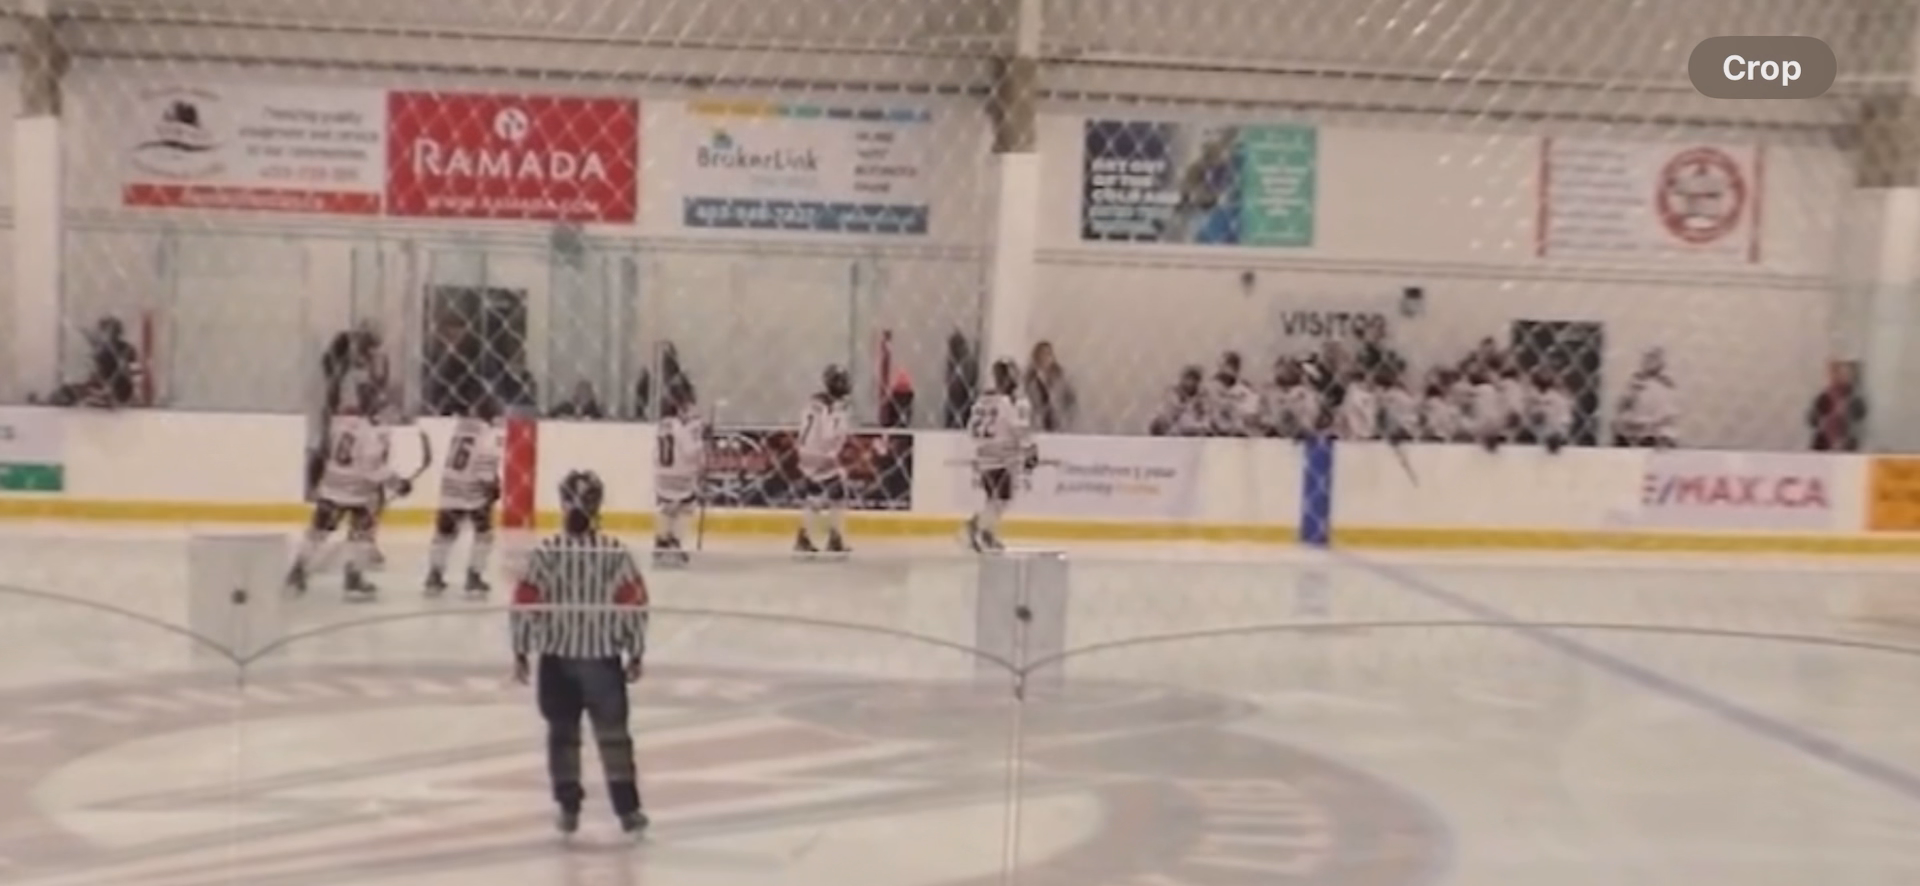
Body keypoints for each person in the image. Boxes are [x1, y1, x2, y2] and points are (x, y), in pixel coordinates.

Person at [510, 470, 651, 837]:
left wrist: (521, 648)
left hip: (556, 658)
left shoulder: (545, 553)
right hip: (602, 659)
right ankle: (628, 811)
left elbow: (525, 602)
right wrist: (635, 650)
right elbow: (634, 604)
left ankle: (568, 805)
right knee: (614, 737)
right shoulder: (615, 553)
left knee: (562, 735)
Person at [286, 384, 409, 600]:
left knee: (316, 533)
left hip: (331, 487)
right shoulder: (371, 435)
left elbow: (325, 450)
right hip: (357, 495)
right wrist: (397, 483)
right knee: (360, 537)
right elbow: (371, 469)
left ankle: (297, 570)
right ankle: (353, 579)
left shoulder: (340, 424)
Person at [426, 396, 503, 597]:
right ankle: (474, 577)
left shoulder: (461, 427)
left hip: (450, 489)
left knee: (444, 535)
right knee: (484, 535)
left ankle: (434, 575)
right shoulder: (489, 435)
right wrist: (493, 486)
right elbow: (485, 469)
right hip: (473, 494)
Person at [964, 359, 1035, 553]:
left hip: (984, 455)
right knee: (1002, 499)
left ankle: (988, 533)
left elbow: (971, 429)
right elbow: (1017, 428)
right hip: (1000, 457)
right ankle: (978, 527)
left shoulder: (982, 401)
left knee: (994, 499)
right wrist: (1029, 449)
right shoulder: (1005, 403)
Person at [794, 365, 854, 556]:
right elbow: (829, 434)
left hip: (807, 451)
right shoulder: (832, 407)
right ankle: (832, 537)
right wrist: (832, 455)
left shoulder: (813, 404)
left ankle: (806, 536)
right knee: (837, 492)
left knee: (815, 493)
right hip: (821, 452)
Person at [652, 383, 705, 566]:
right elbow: (690, 452)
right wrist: (702, 445)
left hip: (662, 476)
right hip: (681, 476)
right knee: (686, 507)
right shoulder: (684, 427)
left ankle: (661, 539)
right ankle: (675, 541)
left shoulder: (663, 425)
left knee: (666, 508)